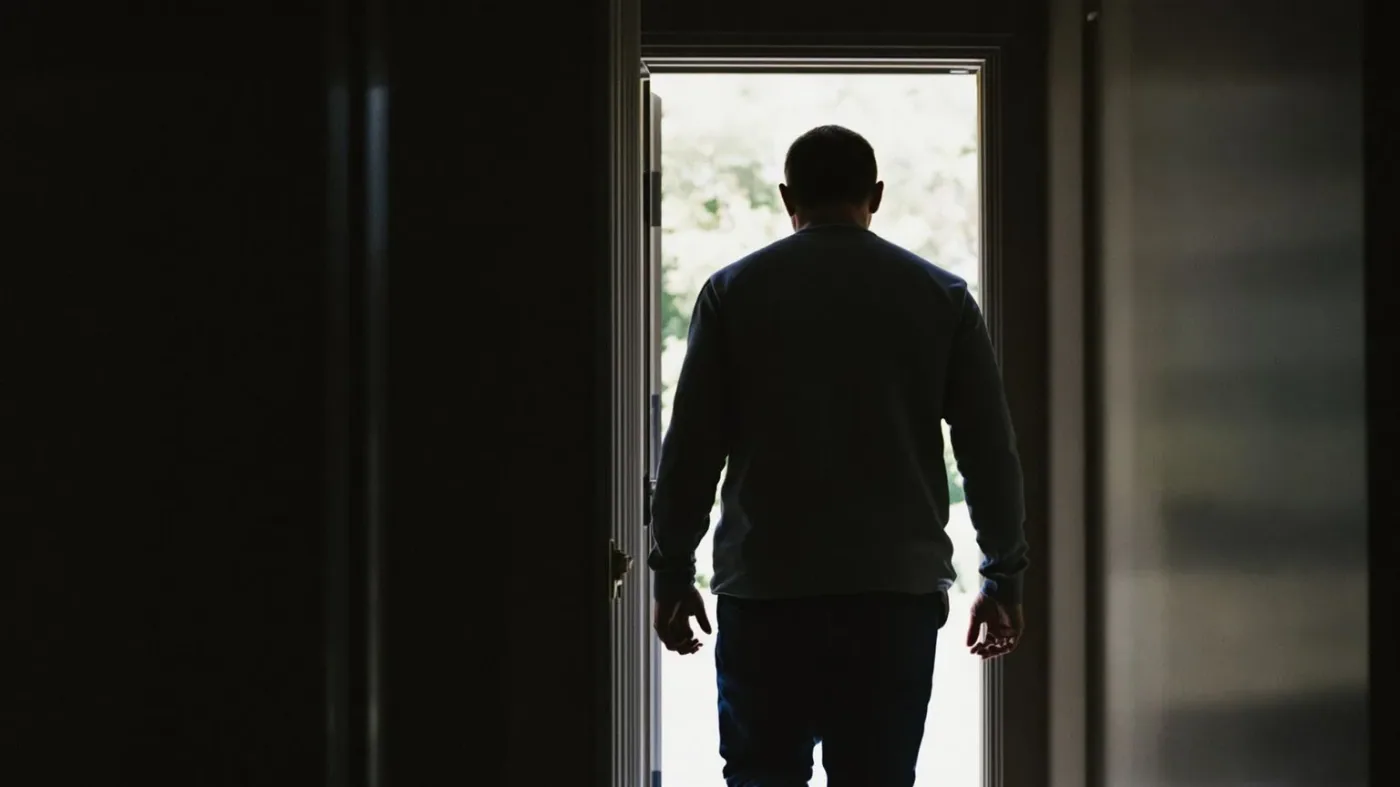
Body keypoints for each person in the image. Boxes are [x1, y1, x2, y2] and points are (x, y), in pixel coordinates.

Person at [647, 124, 1029, 787]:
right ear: (875, 194)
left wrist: (671, 572)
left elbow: (691, 453)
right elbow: (989, 454)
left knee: (762, 777)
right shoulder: (940, 298)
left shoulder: (732, 292)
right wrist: (1004, 576)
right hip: (892, 598)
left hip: (766, 591)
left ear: (785, 195)